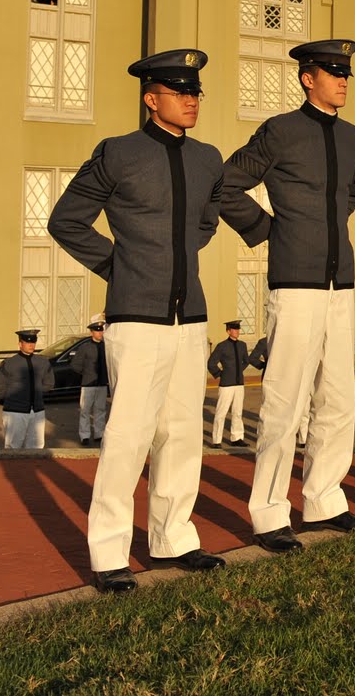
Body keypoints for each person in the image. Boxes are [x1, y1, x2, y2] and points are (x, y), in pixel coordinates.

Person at [48, 47, 227, 593]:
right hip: (136, 316)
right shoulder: (118, 152)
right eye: (181, 91)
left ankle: (173, 538)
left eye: (196, 91)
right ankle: (108, 554)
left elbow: (206, 223)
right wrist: (119, 265)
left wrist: (176, 258)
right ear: (152, 99)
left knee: (182, 434)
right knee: (128, 436)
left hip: (190, 316)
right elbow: (66, 220)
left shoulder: (207, 158)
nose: (192, 100)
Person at [220, 39, 355, 552]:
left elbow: (349, 197)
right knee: (284, 403)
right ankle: (268, 513)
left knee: (338, 399)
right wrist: (268, 229)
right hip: (295, 284)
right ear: (308, 78)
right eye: (333, 72)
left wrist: (322, 230)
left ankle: (325, 499)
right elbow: (226, 185)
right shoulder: (280, 131)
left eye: (346, 73)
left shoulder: (353, 137)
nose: (343, 80)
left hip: (340, 282)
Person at [0, 328, 55, 448]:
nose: (31, 345)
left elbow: (49, 383)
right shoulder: (10, 363)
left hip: (37, 411)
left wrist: (36, 393)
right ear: (20, 344)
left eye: (33, 342)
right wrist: (13, 398)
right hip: (15, 413)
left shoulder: (42, 362)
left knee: (37, 447)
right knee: (13, 448)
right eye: (27, 342)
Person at [206, 320, 249, 448]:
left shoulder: (242, 345)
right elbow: (211, 363)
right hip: (226, 384)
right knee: (221, 412)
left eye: (238, 329)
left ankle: (237, 438)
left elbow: (246, 361)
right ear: (228, 331)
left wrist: (238, 370)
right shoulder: (222, 346)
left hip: (239, 383)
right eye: (234, 329)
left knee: (237, 412)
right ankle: (217, 440)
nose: (237, 331)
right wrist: (221, 374)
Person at [70, 318, 109, 446]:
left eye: (101, 330)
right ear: (91, 332)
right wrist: (86, 373)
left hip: (102, 383)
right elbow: (75, 364)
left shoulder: (106, 346)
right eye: (97, 331)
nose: (100, 333)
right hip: (88, 384)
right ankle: (84, 435)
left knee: (100, 410)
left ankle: (99, 433)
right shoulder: (85, 347)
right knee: (85, 410)